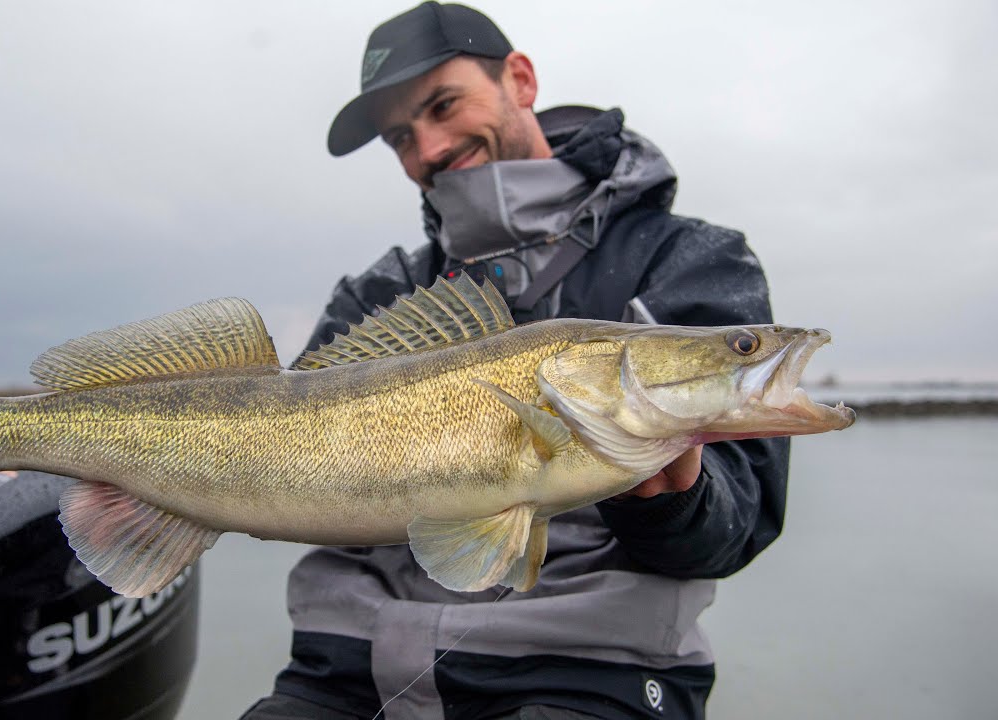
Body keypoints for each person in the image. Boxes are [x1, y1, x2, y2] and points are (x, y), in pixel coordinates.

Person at [242, 3, 789, 719]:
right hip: (346, 671)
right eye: (400, 136)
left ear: (521, 79)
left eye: (443, 105)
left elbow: (735, 526)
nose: (429, 149)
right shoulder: (382, 292)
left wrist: (669, 493)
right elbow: (275, 457)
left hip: (587, 675)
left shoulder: (685, 261)